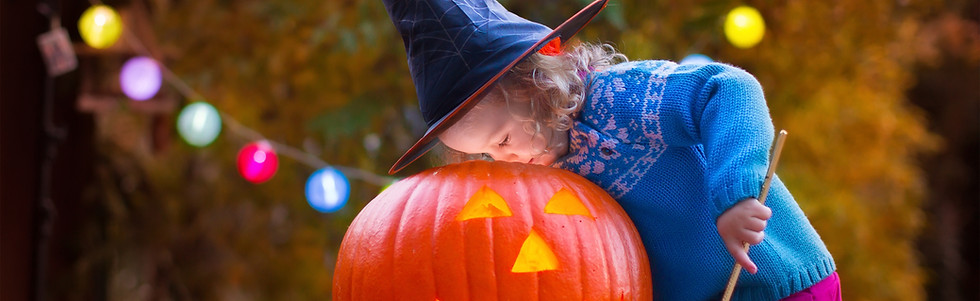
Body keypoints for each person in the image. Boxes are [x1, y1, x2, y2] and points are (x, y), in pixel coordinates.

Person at [382, 0, 840, 300]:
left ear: (534, 84)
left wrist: (736, 195)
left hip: (777, 281)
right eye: (486, 155)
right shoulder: (550, 174)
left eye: (501, 139)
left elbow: (728, 89)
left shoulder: (618, 99)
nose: (504, 161)